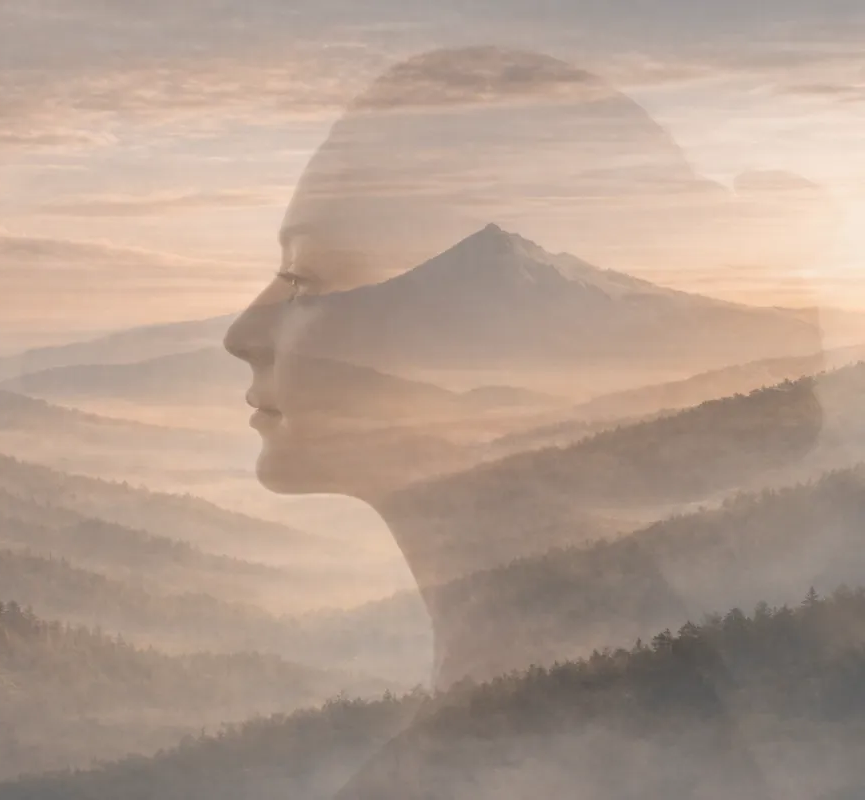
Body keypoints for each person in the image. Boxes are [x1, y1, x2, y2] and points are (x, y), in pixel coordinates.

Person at [224, 46, 844, 798]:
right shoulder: (635, 678)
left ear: (478, 333)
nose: (243, 333)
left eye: (303, 280)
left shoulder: (520, 749)